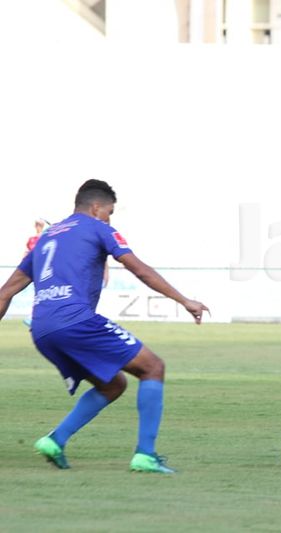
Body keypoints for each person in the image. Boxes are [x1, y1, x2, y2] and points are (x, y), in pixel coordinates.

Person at [0, 179, 209, 474]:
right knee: (153, 368)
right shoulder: (98, 228)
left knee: (112, 384)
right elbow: (140, 269)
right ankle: (146, 455)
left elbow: (5, 293)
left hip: (43, 331)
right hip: (76, 322)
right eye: (110, 212)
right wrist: (184, 300)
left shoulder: (47, 238)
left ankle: (55, 440)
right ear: (97, 208)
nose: (110, 219)